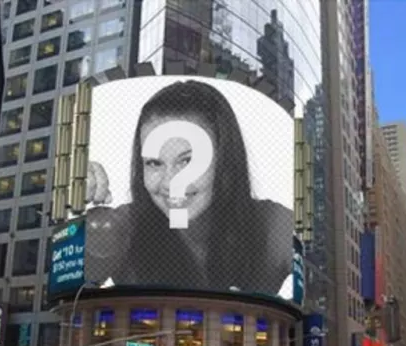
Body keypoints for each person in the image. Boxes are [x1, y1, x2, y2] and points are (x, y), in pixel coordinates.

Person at [85, 80, 293, 295]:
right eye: (154, 163)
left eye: (187, 161)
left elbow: (322, 276)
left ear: (225, 159)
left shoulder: (272, 224)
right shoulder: (124, 225)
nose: (170, 183)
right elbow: (68, 287)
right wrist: (67, 204)